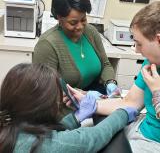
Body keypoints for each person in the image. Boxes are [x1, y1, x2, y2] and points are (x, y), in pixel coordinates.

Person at [66, 1, 160, 153]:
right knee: (81, 136)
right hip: (141, 127)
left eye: (139, 44)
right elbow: (130, 103)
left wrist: (158, 92)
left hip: (153, 142)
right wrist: (90, 103)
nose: (136, 50)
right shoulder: (151, 63)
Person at [0, 63, 137, 153]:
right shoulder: (41, 146)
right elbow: (91, 138)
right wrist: (122, 114)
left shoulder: (10, 126)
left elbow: (44, 131)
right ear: (40, 107)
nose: (59, 103)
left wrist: (75, 117)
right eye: (55, 100)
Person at [33, 0, 118, 95]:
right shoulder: (47, 44)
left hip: (95, 94)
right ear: (59, 18)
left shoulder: (90, 31)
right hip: (65, 102)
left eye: (83, 20)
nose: (80, 27)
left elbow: (105, 64)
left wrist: (110, 82)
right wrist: (83, 95)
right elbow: (46, 89)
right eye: (73, 23)